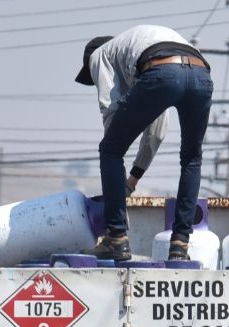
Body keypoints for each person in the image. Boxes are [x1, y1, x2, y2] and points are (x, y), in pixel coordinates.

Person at [75, 25, 213, 261]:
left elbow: (110, 112)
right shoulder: (137, 49)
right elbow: (157, 132)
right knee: (192, 159)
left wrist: (116, 184)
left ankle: (116, 239)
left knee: (109, 150)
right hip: (201, 74)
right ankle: (180, 246)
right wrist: (131, 180)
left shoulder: (100, 54)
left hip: (164, 71)